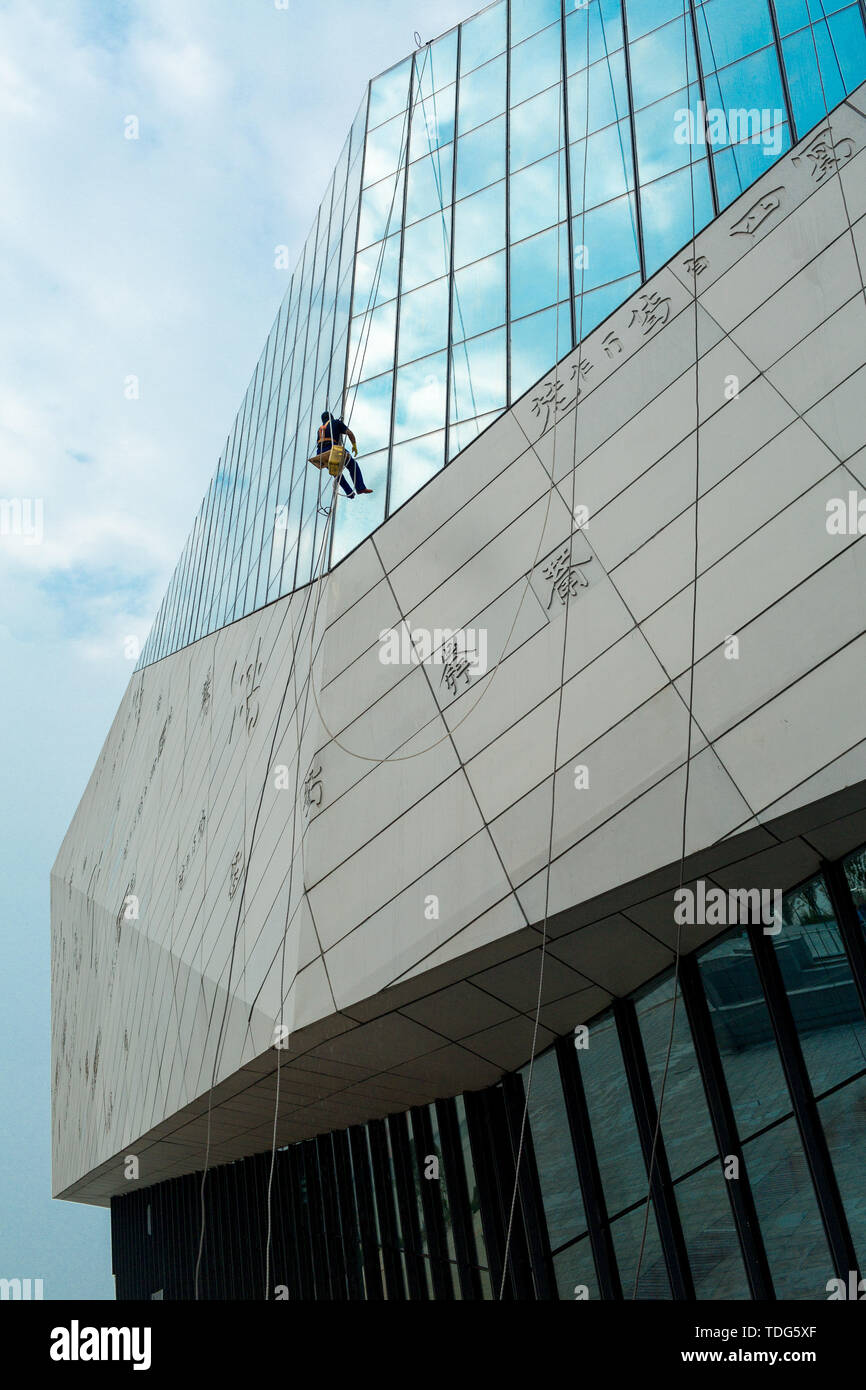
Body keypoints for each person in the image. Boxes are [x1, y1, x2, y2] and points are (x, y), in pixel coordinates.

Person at [310, 411, 373, 498]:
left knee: (336, 472)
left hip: (321, 453)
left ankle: (349, 493)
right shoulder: (335, 422)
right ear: (331, 417)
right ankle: (360, 488)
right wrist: (354, 445)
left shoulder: (320, 428)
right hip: (331, 448)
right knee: (353, 465)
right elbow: (350, 433)